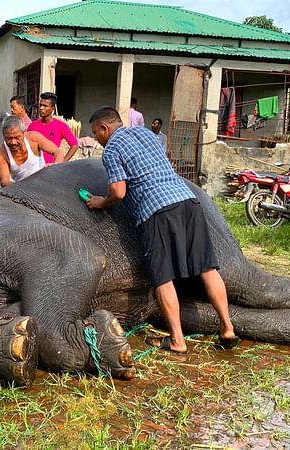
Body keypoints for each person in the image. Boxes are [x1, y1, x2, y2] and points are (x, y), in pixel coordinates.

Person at [85, 106, 238, 354]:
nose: (97, 140)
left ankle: (177, 341)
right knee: (207, 268)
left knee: (162, 277)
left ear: (105, 128)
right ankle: (227, 328)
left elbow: (119, 192)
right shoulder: (146, 133)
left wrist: (99, 201)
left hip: (156, 210)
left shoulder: (112, 148)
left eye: (96, 133)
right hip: (188, 202)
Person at [0, 115, 63, 187]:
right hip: (21, 189)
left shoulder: (34, 138)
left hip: (44, 183)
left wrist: (56, 165)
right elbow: (4, 182)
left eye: (17, 137)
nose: (13, 142)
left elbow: (58, 152)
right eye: (8, 138)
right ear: (3, 135)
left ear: (24, 133)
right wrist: (26, 189)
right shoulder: (1, 153)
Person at [27, 92, 79, 163]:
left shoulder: (61, 126)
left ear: (52, 108)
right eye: (40, 105)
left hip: (52, 168)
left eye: (45, 106)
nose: (41, 108)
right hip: (35, 167)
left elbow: (74, 145)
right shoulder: (32, 126)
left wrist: (63, 161)